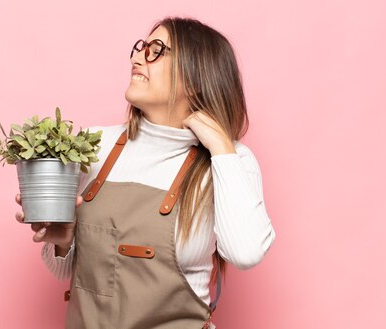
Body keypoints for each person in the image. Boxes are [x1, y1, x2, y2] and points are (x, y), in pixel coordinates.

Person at [14, 16, 276, 329]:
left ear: (195, 76)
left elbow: (245, 253)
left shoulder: (230, 161)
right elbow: (72, 276)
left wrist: (221, 146)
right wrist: (62, 241)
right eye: (140, 48)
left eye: (155, 50)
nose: (137, 57)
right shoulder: (95, 146)